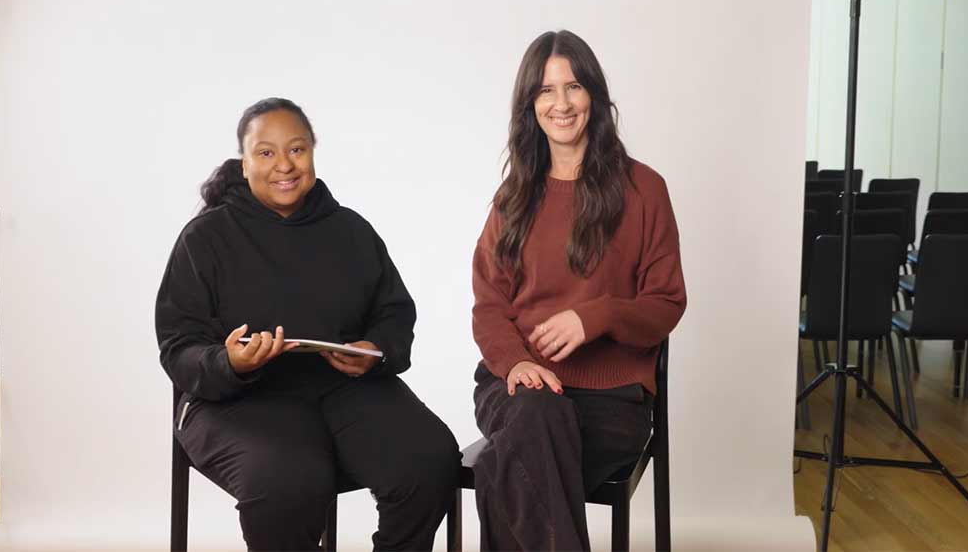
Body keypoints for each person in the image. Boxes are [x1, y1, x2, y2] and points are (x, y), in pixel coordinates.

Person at [156, 97, 459, 551]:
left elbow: (395, 312)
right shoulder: (205, 238)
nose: (284, 165)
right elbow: (178, 344)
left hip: (344, 388)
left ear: (313, 152)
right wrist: (229, 361)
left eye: (296, 149)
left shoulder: (351, 231)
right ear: (244, 164)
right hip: (236, 400)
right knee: (287, 483)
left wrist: (372, 350)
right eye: (266, 152)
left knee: (429, 458)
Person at [470, 30, 687, 550]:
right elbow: (489, 306)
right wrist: (517, 363)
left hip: (609, 401)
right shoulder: (514, 198)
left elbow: (666, 303)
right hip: (515, 387)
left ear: (594, 94)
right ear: (530, 106)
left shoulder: (644, 189)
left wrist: (596, 316)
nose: (561, 104)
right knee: (533, 414)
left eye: (573, 87)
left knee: (507, 462)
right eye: (545, 91)